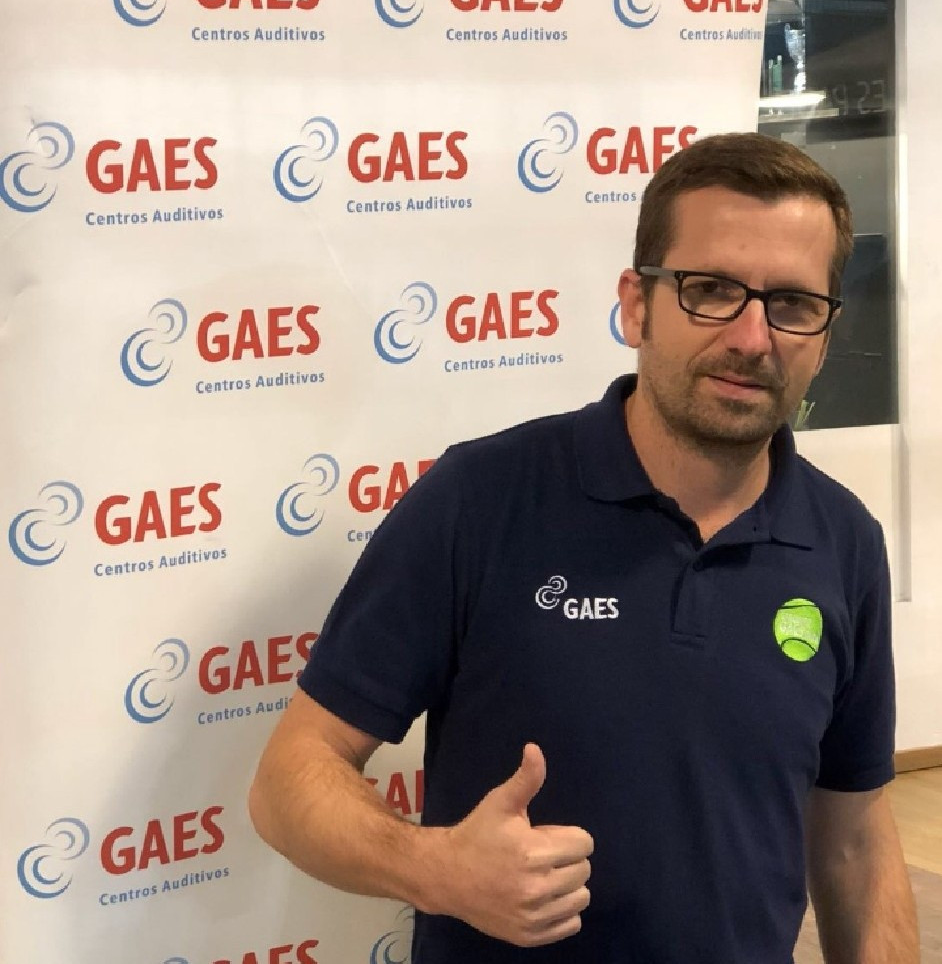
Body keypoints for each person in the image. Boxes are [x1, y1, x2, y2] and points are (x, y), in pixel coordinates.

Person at [249, 132, 919, 963]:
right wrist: (435, 867)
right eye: (711, 290)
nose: (753, 337)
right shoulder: (480, 499)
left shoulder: (844, 541)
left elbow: (854, 837)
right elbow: (289, 777)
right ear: (637, 304)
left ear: (825, 332)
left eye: (792, 303)